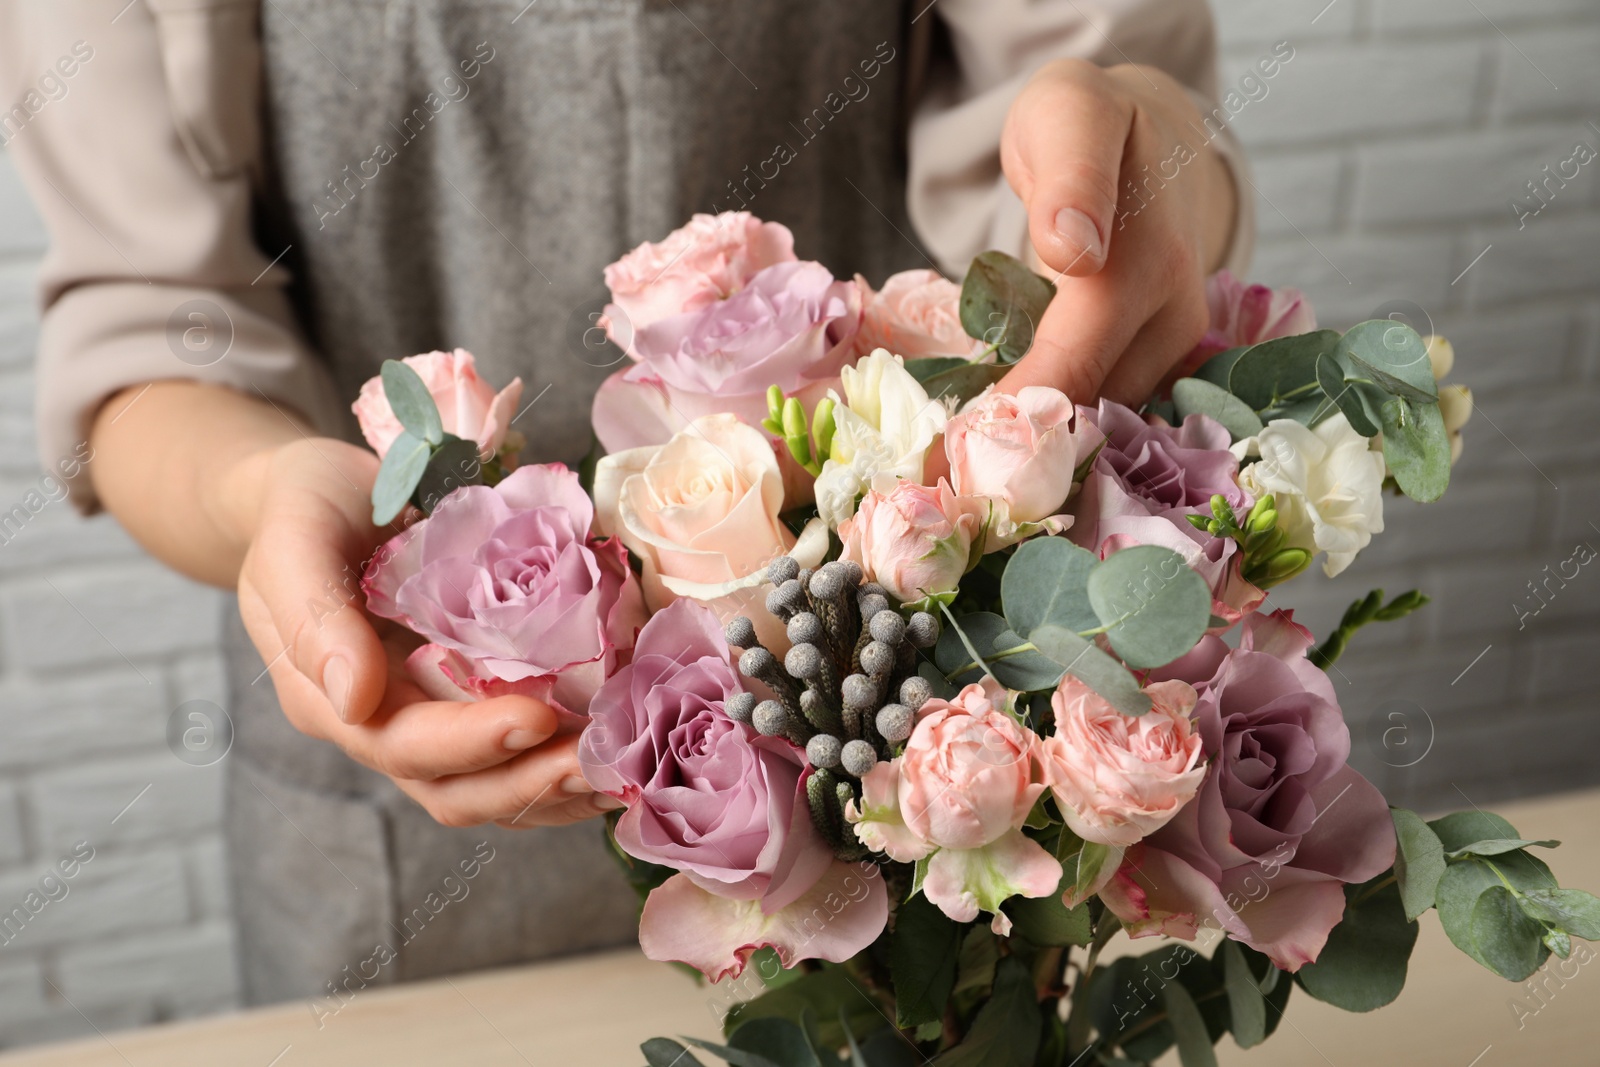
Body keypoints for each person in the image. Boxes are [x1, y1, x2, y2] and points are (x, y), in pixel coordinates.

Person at [0, 0, 1253, 1005]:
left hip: (898, 771)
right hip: (389, 816)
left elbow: (1104, 128)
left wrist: (1141, 171)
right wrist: (267, 488)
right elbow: (147, 329)